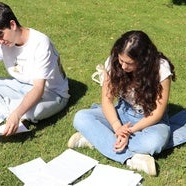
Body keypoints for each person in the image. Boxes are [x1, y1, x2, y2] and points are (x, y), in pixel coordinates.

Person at [68, 30, 176, 176]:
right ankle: (131, 159)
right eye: (121, 60)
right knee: (81, 117)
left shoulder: (160, 68)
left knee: (154, 142)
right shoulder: (113, 62)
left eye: (129, 63)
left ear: (143, 59)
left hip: (149, 120)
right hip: (122, 112)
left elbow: (157, 113)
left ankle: (95, 138)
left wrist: (129, 131)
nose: (124, 67)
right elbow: (107, 100)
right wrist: (117, 127)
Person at [0, 2, 69, 136]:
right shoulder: (3, 42)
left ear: (12, 25)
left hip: (52, 94)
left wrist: (17, 113)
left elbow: (38, 88)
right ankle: (9, 110)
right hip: (20, 86)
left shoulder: (41, 43)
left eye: (1, 36)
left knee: (34, 112)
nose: (0, 42)